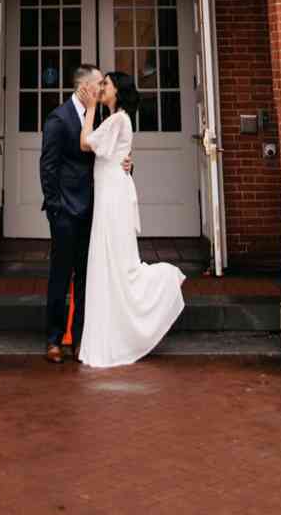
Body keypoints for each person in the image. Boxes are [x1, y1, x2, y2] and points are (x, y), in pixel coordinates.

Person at [76, 69, 185, 368]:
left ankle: (164, 283)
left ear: (117, 91)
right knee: (110, 261)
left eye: (106, 84)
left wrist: (89, 110)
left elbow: (85, 143)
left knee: (117, 262)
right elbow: (112, 155)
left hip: (113, 198)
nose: (101, 87)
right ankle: (115, 330)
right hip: (112, 194)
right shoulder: (117, 121)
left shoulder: (116, 119)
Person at [39, 63, 108, 363]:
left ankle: (79, 339)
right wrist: (55, 208)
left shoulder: (100, 117)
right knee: (60, 275)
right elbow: (48, 167)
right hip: (66, 211)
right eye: (98, 84)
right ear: (84, 87)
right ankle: (54, 339)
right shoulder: (58, 119)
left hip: (93, 209)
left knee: (84, 277)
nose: (102, 90)